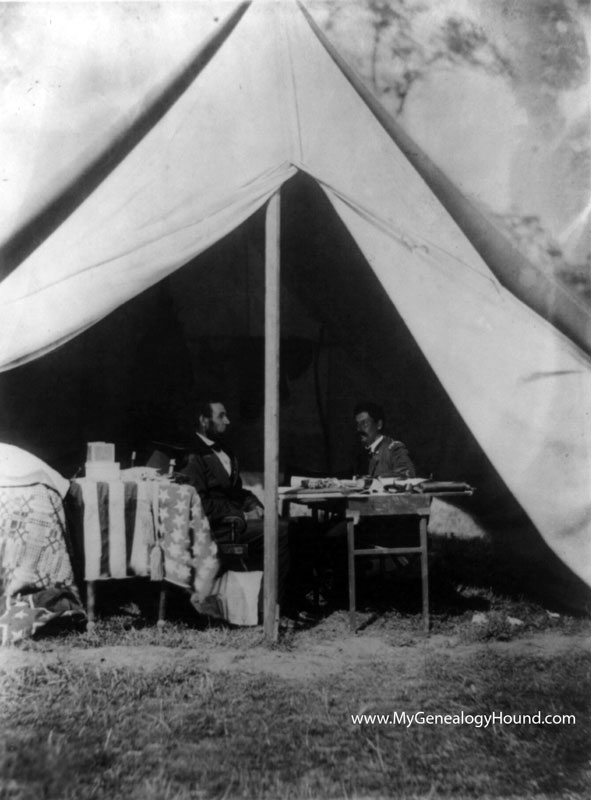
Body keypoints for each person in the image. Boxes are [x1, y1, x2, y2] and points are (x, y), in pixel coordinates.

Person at [177, 400, 305, 622]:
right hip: (216, 528)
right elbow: (200, 503)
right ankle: (269, 611)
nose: (227, 421)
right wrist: (242, 515)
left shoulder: (225, 451)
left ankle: (290, 603)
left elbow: (237, 491)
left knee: (293, 527)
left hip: (234, 522)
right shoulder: (192, 455)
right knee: (281, 532)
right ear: (203, 420)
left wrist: (256, 506)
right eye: (221, 416)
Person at [353, 402, 415, 481]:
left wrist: (377, 479)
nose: (359, 429)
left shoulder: (394, 449)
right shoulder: (362, 453)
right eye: (357, 425)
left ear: (379, 424)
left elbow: (407, 476)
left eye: (364, 424)